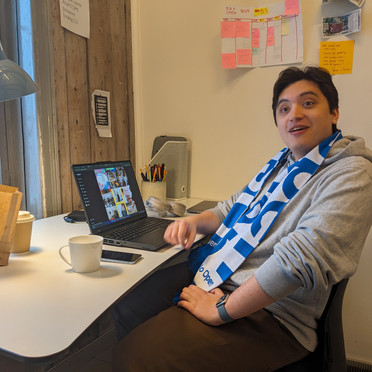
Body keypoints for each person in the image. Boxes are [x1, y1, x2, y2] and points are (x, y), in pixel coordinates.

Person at [112, 66, 372, 371]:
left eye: (309, 103)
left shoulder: (351, 172)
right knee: (130, 305)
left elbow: (298, 261)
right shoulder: (283, 165)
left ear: (334, 113)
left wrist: (221, 310)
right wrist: (194, 223)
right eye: (284, 108)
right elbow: (231, 207)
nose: (294, 114)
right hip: (227, 278)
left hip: (274, 315)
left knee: (136, 357)